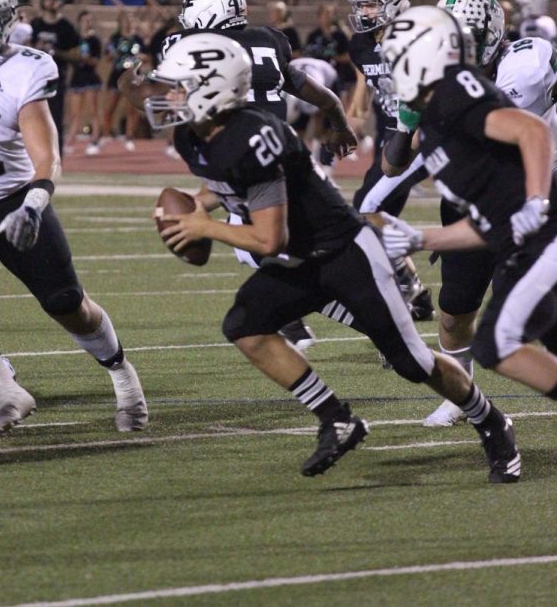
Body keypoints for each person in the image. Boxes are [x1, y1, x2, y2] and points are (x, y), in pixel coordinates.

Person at [141, 32, 519, 483]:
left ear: (212, 87)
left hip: (345, 253)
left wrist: (202, 227)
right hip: (303, 259)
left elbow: (269, 239)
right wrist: (198, 204)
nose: (170, 97)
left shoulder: (256, 136)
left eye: (180, 86)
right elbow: (226, 186)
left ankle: (493, 422)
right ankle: (336, 417)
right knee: (245, 324)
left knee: (412, 363)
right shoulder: (195, 135)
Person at [0, 0, 147, 434]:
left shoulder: (27, 66)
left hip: (14, 201)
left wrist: (35, 203)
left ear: (5, 21)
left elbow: (45, 154)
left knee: (67, 304)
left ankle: (125, 381)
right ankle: (7, 387)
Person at [120, 0, 357, 351]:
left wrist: (126, 81)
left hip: (242, 156)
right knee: (276, 252)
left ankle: (371, 312)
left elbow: (152, 98)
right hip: (285, 155)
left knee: (268, 251)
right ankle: (308, 318)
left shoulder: (189, 46)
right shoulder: (270, 39)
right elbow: (320, 94)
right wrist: (340, 123)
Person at [384, 0, 557, 426]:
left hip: (537, 196)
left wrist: (537, 199)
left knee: (525, 320)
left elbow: (523, 132)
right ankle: (461, 393)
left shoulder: (521, 67)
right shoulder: (440, 99)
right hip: (484, 203)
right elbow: (396, 161)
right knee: (456, 308)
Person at [345, 0, 434, 321]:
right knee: (372, 214)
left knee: (366, 208)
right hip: (392, 140)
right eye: (361, 5)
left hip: (425, 137)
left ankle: (398, 307)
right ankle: (413, 291)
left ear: (396, 1)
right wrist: (342, 131)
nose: (364, 12)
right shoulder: (362, 45)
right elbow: (362, 98)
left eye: (371, 4)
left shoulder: (419, 36)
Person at [31, 0, 79, 155]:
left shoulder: (66, 27)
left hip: (55, 78)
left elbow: (76, 54)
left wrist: (56, 52)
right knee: (30, 116)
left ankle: (56, 155)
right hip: (34, 78)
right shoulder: (35, 24)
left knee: (55, 118)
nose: (51, 2)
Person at [102, 9, 148, 152]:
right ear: (120, 22)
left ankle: (129, 137)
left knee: (132, 109)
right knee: (109, 107)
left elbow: (147, 56)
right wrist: (113, 54)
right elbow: (107, 57)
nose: (128, 22)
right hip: (117, 75)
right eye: (125, 19)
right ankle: (106, 134)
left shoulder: (138, 39)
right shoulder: (115, 38)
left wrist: (142, 57)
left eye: (130, 19)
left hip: (133, 76)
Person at [64, 10, 103, 156]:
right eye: (85, 20)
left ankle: (95, 140)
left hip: (90, 77)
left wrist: (86, 58)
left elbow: (96, 60)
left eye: (90, 20)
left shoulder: (94, 40)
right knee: (74, 114)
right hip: (76, 77)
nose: (87, 22)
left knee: (92, 111)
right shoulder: (74, 38)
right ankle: (69, 141)